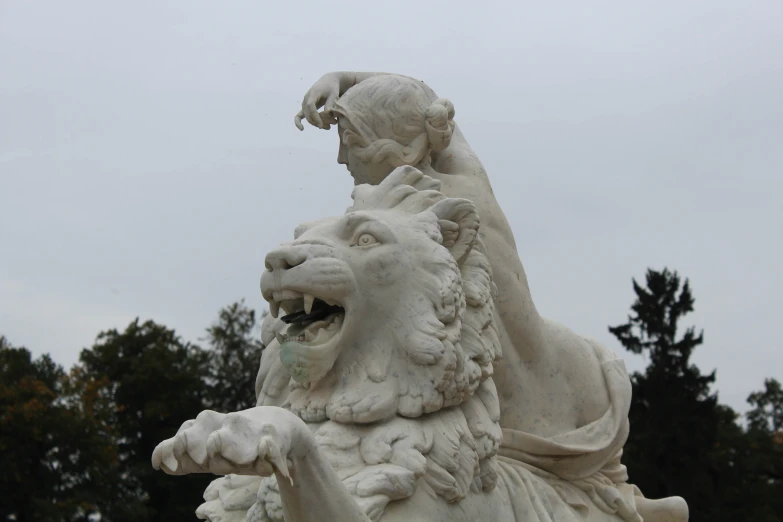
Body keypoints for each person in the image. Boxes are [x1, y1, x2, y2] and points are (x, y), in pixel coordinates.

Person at [292, 71, 689, 522]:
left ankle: (616, 495)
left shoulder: (403, 221)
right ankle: (618, 493)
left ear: (399, 148)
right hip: (551, 355)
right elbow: (430, 106)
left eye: (351, 140)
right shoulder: (468, 175)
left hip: (498, 380)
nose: (342, 157)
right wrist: (344, 78)